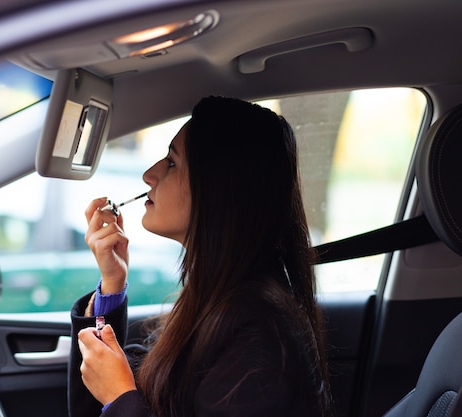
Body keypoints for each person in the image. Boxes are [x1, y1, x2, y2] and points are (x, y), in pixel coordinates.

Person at [68, 96, 334, 417]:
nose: (149, 175)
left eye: (171, 162)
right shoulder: (217, 298)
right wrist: (112, 284)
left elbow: (123, 397)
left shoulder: (260, 338)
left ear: (218, 189)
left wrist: (121, 397)